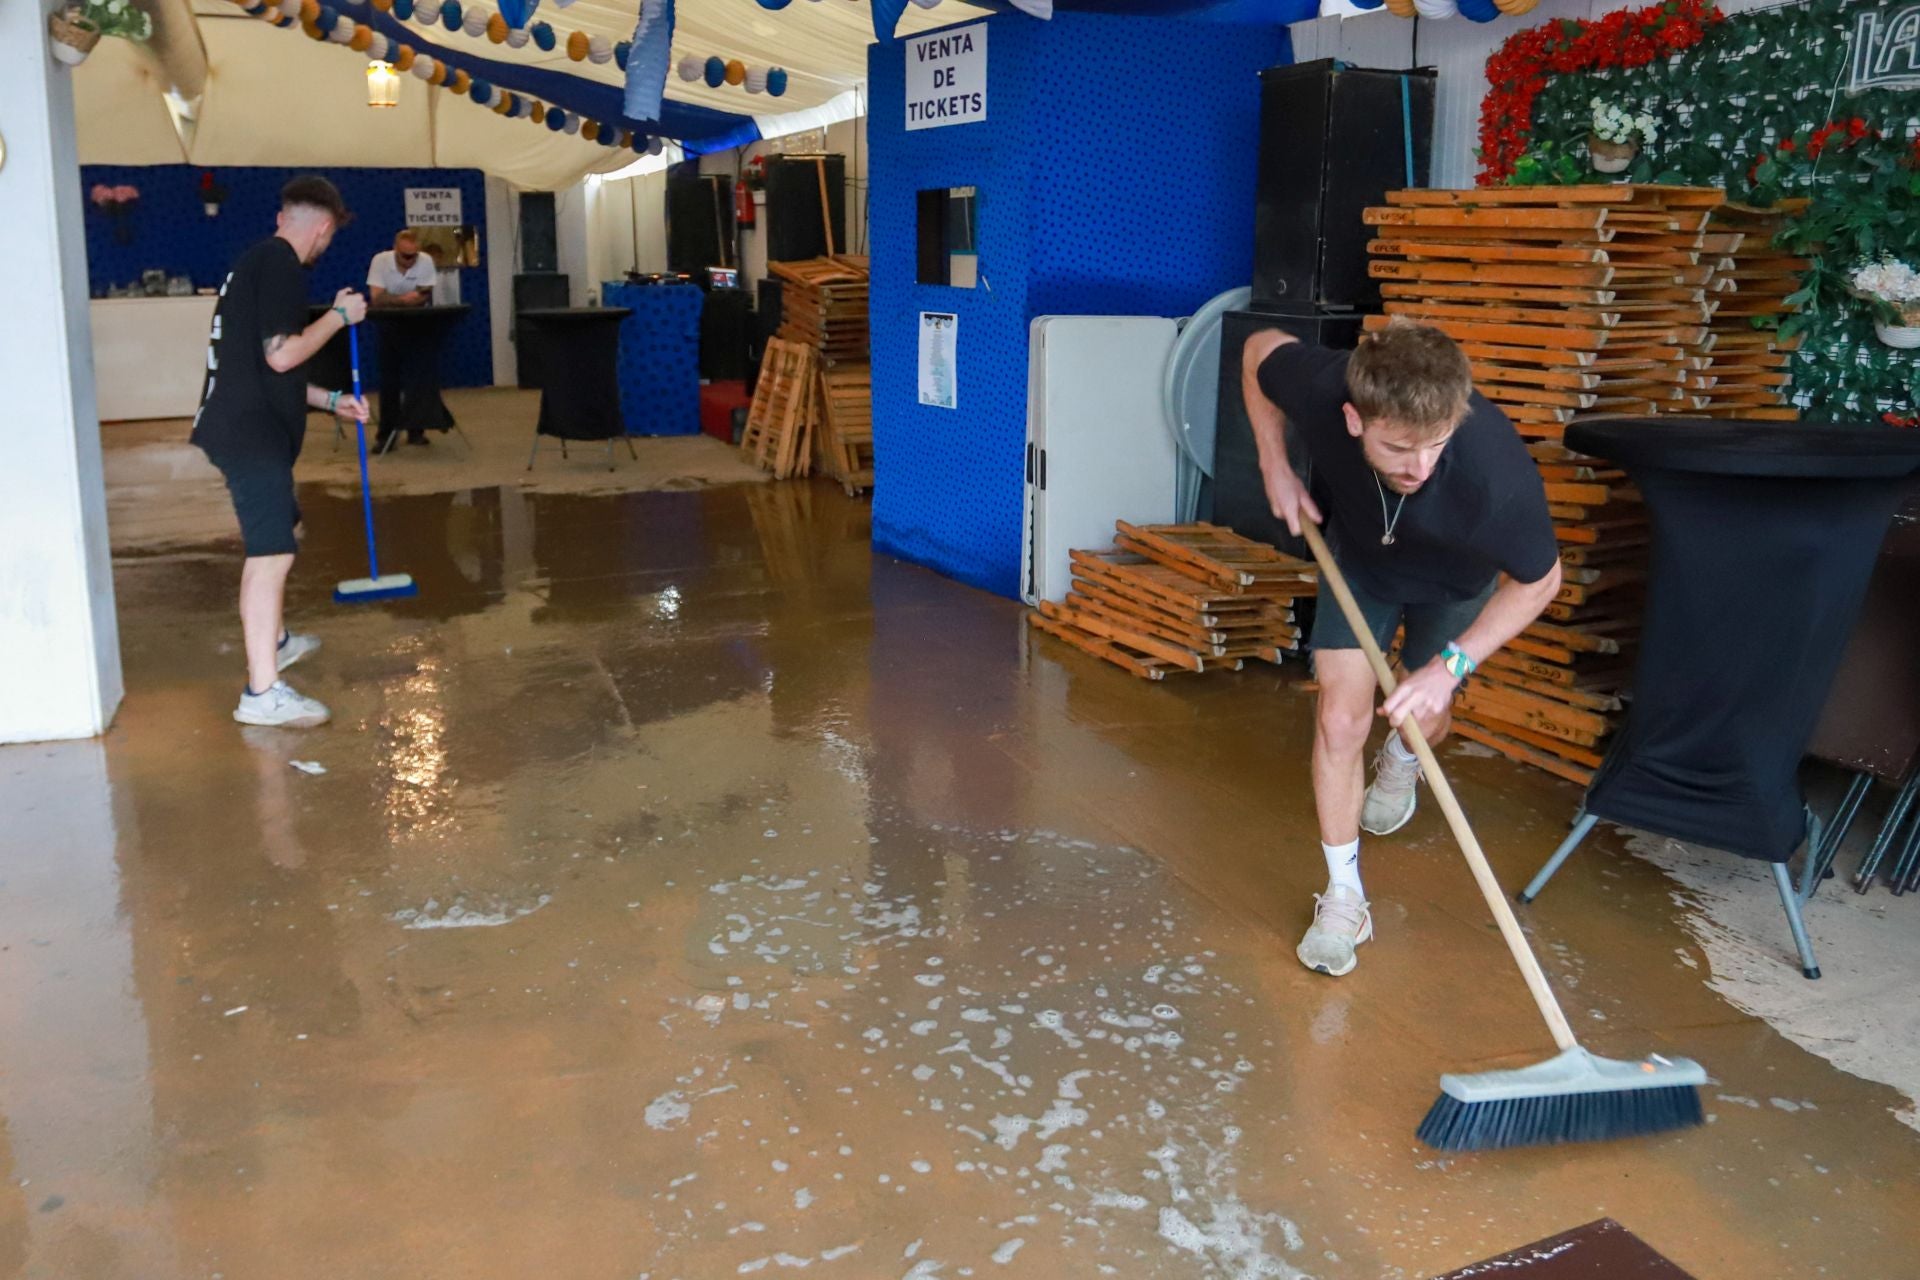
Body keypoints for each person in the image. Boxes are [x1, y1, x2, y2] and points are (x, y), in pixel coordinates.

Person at [1242, 319, 1562, 978]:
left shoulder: (1493, 476)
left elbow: (1541, 581)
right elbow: (1256, 350)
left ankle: (1401, 759)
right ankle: (1345, 897)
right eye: (1399, 447)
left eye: (1437, 444)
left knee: (1421, 717)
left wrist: (1453, 666)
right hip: (1361, 563)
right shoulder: (1324, 385)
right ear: (1354, 419)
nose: (1420, 467)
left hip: (1454, 580)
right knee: (1338, 717)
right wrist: (1274, 463)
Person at [191, 175, 369, 729]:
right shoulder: (281, 267)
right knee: (271, 555)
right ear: (322, 227)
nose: (326, 247)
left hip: (244, 422)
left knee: (281, 530)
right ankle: (261, 693)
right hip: (249, 433)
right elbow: (282, 357)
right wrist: (338, 318)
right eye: (329, 237)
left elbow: (262, 366)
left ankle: (279, 639)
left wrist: (330, 399)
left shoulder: (259, 264)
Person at [367, 230, 437, 307]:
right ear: (395, 249)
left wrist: (392, 299)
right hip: (385, 314)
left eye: (414, 255)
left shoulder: (426, 260)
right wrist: (402, 299)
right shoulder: (380, 260)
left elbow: (423, 296)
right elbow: (377, 299)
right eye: (406, 256)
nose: (411, 260)